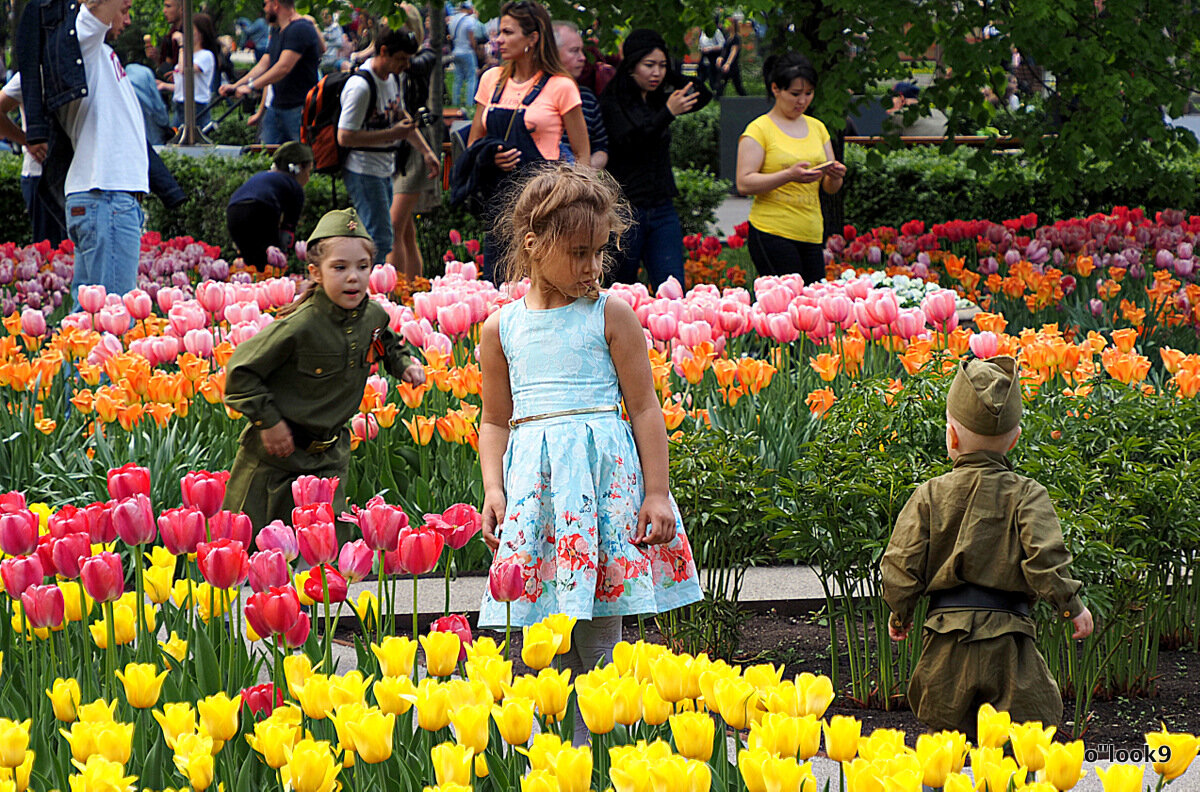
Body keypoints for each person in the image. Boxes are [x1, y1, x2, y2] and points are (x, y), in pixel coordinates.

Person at [477, 164, 702, 711]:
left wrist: (656, 492)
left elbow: (645, 408)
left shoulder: (611, 314)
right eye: (579, 252)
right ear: (532, 245)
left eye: (600, 251)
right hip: (539, 495)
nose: (593, 266)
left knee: (602, 634)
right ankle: (558, 759)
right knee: (545, 633)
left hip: (602, 494)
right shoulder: (500, 328)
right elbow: (494, 421)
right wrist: (493, 489)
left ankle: (602, 746)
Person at [882, 356, 1095, 737]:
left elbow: (901, 563)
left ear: (951, 436)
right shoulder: (1028, 495)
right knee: (1020, 741)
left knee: (942, 745)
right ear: (1014, 439)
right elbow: (1045, 560)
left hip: (947, 643)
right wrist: (1072, 607)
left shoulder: (930, 495)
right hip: (1010, 644)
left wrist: (900, 613)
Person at [222, 208, 426, 532]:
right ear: (316, 272)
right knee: (252, 555)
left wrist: (402, 365)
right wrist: (268, 422)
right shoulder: (299, 326)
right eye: (340, 267)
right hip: (276, 459)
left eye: (363, 267)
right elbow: (240, 372)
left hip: (330, 457)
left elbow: (384, 339)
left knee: (325, 557)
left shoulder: (372, 315)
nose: (353, 277)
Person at [461, 0, 589, 282]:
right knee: (498, 283)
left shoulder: (561, 85)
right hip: (499, 205)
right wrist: (489, 157)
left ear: (532, 38)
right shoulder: (490, 80)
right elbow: (473, 143)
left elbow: (582, 155)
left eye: (508, 32)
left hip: (545, 205)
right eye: (499, 32)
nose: (498, 40)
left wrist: (574, 206)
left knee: (543, 282)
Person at [600, 28, 710, 290]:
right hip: (626, 209)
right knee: (621, 288)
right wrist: (668, 113)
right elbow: (631, 141)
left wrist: (669, 73)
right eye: (649, 65)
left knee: (672, 286)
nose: (656, 73)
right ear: (631, 66)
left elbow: (703, 94)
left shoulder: (658, 98)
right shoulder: (612, 100)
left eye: (661, 66)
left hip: (661, 207)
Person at [735, 52, 846, 282]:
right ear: (776, 89)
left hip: (811, 232)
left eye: (808, 94)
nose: (802, 101)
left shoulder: (817, 128)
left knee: (814, 305)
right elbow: (744, 183)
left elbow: (830, 188)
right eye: (795, 94)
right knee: (787, 304)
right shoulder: (759, 129)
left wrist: (834, 176)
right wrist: (788, 175)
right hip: (772, 231)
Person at [337, 29, 436, 266]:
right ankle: (373, 291)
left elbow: (399, 114)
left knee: (384, 234)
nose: (406, 65)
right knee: (380, 238)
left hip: (384, 168)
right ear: (384, 52)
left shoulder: (391, 78)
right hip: (363, 170)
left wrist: (426, 152)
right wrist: (392, 134)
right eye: (401, 59)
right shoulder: (360, 87)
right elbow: (345, 136)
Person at [388, 9, 442, 280]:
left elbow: (415, 65)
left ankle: (395, 291)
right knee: (406, 231)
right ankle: (414, 289)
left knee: (393, 226)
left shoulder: (424, 56)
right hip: (399, 147)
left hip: (417, 143)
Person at [221, 0, 322, 144]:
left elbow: (283, 67)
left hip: (299, 109)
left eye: (266, 4)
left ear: (276, 4)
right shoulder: (277, 30)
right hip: (276, 107)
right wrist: (236, 85)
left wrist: (251, 87)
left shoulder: (300, 29)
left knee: (302, 157)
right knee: (265, 154)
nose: (264, 9)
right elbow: (264, 64)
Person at [226, 142, 313, 270]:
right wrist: (283, 253)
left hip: (233, 210)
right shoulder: (295, 187)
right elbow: (288, 227)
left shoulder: (263, 176)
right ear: (299, 168)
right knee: (268, 261)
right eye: (308, 172)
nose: (308, 178)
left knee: (249, 260)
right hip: (261, 208)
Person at [0, 72, 48, 241]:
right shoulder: (31, 73)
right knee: (51, 253)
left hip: (78, 177)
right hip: (39, 176)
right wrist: (28, 140)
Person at [554, 20, 608, 169]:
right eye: (574, 50)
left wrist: (583, 171)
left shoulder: (587, 98)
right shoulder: (531, 95)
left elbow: (601, 148)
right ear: (552, 52)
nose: (583, 58)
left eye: (581, 50)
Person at [159, 13, 220, 129]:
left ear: (200, 33)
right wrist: (164, 85)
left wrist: (181, 46)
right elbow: (185, 85)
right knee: (176, 141)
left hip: (196, 106)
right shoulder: (187, 55)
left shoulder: (205, 55)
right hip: (180, 104)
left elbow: (184, 70)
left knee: (195, 143)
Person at [447, 1, 478, 110]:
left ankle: (456, 102)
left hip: (456, 51)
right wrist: (475, 48)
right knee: (471, 78)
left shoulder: (453, 20)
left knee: (458, 78)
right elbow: (471, 38)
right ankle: (469, 103)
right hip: (467, 51)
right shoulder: (469, 20)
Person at [144, 0, 183, 79]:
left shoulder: (193, 33)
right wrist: (156, 57)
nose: (164, 11)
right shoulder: (170, 36)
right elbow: (168, 66)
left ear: (181, 9)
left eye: (168, 6)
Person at [714, 18, 746, 97]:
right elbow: (725, 50)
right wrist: (720, 57)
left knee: (737, 86)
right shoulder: (728, 37)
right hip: (725, 63)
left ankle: (745, 99)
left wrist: (728, 63)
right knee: (720, 84)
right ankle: (717, 100)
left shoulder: (736, 37)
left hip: (732, 65)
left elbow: (733, 51)